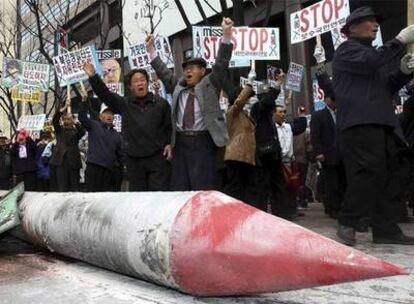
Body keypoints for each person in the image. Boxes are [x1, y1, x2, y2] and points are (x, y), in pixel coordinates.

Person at [333, 6, 414, 245]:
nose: (375, 24)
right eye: (369, 20)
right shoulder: (347, 51)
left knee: (389, 176)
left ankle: (385, 227)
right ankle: (347, 221)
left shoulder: (372, 59)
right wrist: (399, 41)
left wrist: (403, 72)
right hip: (360, 122)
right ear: (352, 28)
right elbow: (372, 61)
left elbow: (386, 86)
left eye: (375, 21)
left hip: (381, 122)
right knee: (368, 172)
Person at [146, 17, 234, 191]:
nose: (188, 70)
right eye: (186, 68)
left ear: (202, 71)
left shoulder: (211, 84)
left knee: (203, 186)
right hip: (180, 143)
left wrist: (226, 34)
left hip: (203, 142)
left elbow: (222, 63)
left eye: (193, 68)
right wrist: (151, 51)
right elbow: (163, 72)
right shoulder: (177, 87)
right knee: (181, 186)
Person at [84, 64, 172, 191]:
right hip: (134, 160)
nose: (140, 83)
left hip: (157, 159)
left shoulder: (161, 104)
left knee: (158, 197)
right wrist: (93, 76)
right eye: (136, 81)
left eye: (142, 80)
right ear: (130, 87)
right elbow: (105, 94)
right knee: (138, 199)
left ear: (147, 83)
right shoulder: (124, 104)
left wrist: (169, 143)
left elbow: (169, 127)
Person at [310, 70, 345, 219]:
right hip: (328, 154)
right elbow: (315, 136)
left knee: (343, 181)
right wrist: (319, 152)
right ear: (328, 100)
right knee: (332, 183)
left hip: (342, 153)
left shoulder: (341, 114)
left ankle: (342, 205)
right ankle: (332, 208)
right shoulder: (319, 115)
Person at [223, 83, 258, 204]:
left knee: (246, 189)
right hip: (236, 155)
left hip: (246, 157)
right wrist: (248, 85)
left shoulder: (244, 115)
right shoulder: (232, 112)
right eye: (247, 97)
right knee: (235, 189)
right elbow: (239, 103)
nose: (248, 100)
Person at [78, 98, 123, 192]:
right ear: (100, 116)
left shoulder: (117, 135)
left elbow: (120, 155)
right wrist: (84, 102)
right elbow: (82, 118)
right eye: (106, 113)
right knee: (92, 197)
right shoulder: (94, 125)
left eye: (111, 113)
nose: (109, 116)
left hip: (108, 171)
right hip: (94, 167)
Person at [50, 110, 85, 192]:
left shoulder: (76, 132)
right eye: (64, 119)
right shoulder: (59, 130)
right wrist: (61, 111)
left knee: (74, 187)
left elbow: (82, 131)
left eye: (69, 119)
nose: (66, 121)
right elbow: (55, 120)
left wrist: (76, 122)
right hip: (61, 162)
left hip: (73, 162)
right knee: (62, 187)